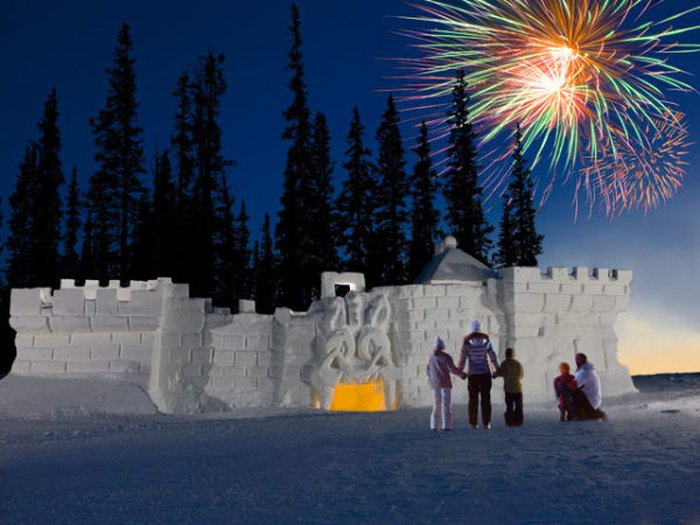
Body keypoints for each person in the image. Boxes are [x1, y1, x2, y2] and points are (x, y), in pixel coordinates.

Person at [458, 320, 500, 430]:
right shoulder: (486, 341)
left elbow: (463, 359)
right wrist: (497, 369)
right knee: (486, 399)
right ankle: (487, 423)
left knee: (473, 399)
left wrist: (460, 372)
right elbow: (493, 356)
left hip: (473, 375)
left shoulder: (466, 343)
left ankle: (474, 422)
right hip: (485, 373)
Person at [426, 336, 467, 431]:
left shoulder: (431, 358)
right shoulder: (445, 357)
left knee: (436, 405)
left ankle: (434, 425)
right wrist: (462, 375)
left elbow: (428, 371)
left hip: (434, 385)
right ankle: (447, 426)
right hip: (445, 384)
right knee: (446, 405)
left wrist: (431, 380)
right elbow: (451, 368)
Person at [573, 352, 606, 420]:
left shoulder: (585, 372)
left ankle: (582, 415)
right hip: (593, 399)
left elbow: (575, 385)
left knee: (573, 393)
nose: (576, 361)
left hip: (590, 400)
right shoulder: (587, 369)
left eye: (578, 359)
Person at [497, 347, 524, 426]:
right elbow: (521, 375)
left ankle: (509, 422)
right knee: (519, 405)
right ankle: (518, 421)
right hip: (517, 388)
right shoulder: (518, 363)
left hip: (508, 388)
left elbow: (500, 373)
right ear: (513, 354)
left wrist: (495, 375)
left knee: (509, 406)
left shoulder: (504, 363)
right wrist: (515, 378)